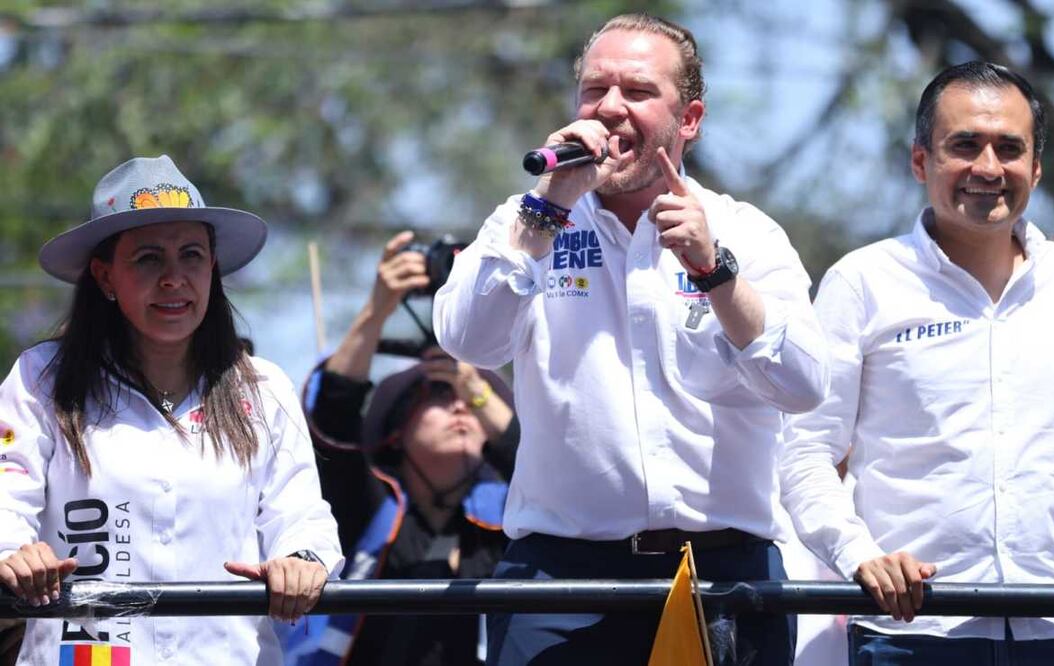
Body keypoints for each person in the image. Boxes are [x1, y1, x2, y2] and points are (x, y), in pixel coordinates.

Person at [433, 13, 829, 666]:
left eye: (637, 92)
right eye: (594, 90)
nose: (609, 108)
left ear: (690, 120)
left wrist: (713, 270)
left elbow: (803, 385)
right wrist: (546, 209)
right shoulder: (525, 216)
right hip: (559, 576)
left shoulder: (745, 232)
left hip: (721, 572)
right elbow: (469, 341)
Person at [780, 61, 1054, 664]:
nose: (988, 169)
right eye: (964, 145)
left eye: (1009, 148)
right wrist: (859, 555)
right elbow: (806, 451)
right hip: (912, 635)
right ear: (921, 162)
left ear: (1037, 168)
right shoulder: (862, 282)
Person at [0, 155, 344, 665]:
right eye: (148, 259)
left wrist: (301, 561)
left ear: (213, 268)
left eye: (191, 255)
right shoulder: (41, 378)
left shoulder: (264, 386)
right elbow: (8, 493)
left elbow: (301, 513)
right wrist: (12, 553)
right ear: (105, 275)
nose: (174, 278)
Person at [285, 231, 518, 665]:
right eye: (440, 395)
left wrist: (478, 389)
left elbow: (539, 465)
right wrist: (377, 310)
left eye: (471, 399)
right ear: (396, 431)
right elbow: (333, 417)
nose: (462, 406)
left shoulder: (514, 519)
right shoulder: (366, 509)